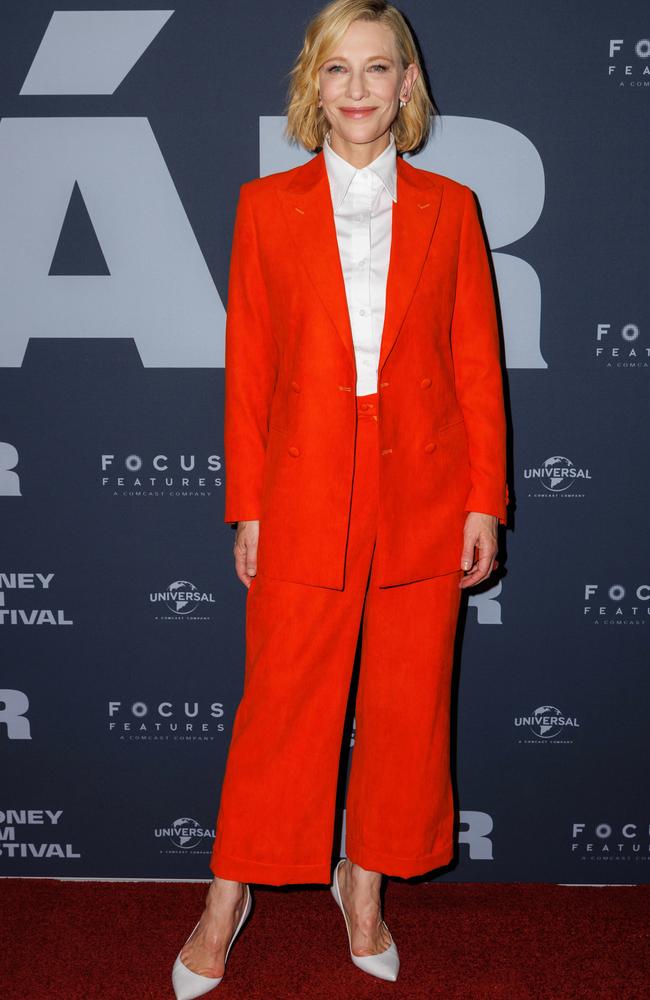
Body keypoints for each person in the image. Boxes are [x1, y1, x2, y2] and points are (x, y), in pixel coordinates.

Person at [172, 0, 509, 995]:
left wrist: (480, 498)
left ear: (406, 85)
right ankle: (224, 896)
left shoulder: (451, 207)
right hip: (304, 478)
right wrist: (250, 506)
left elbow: (474, 367)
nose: (357, 89)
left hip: (424, 480)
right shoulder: (261, 206)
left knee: (407, 704)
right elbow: (247, 372)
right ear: (310, 87)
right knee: (282, 702)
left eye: (376, 69)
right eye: (336, 70)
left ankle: (360, 886)